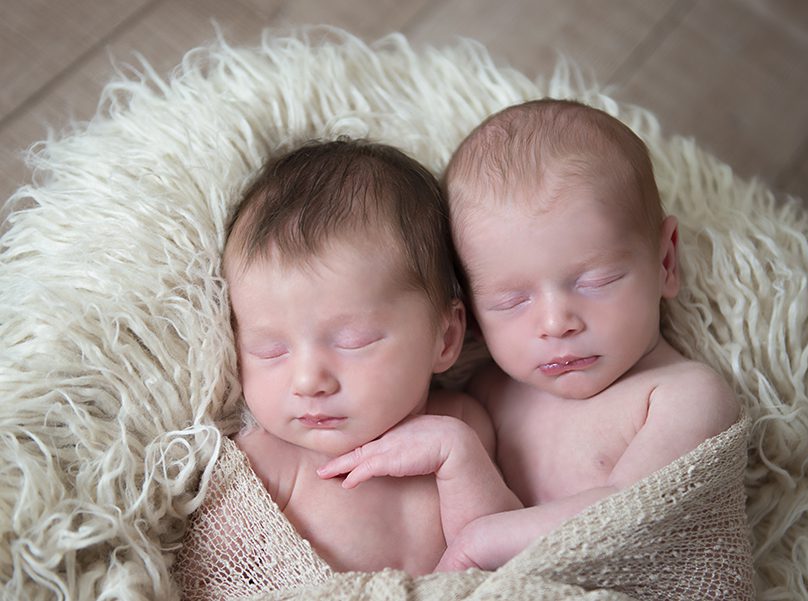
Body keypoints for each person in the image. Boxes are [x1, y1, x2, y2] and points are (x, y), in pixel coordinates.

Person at [325, 99, 740, 571]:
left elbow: (629, 516)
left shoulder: (681, 394)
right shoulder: (488, 395)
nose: (555, 323)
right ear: (472, 318)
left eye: (595, 281)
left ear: (665, 263)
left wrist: (481, 540)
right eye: (511, 302)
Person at [223, 139, 520, 575]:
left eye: (353, 341)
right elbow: (213, 580)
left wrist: (459, 457)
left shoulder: (463, 425)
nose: (308, 381)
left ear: (445, 337)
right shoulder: (264, 463)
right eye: (271, 349)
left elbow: (514, 564)